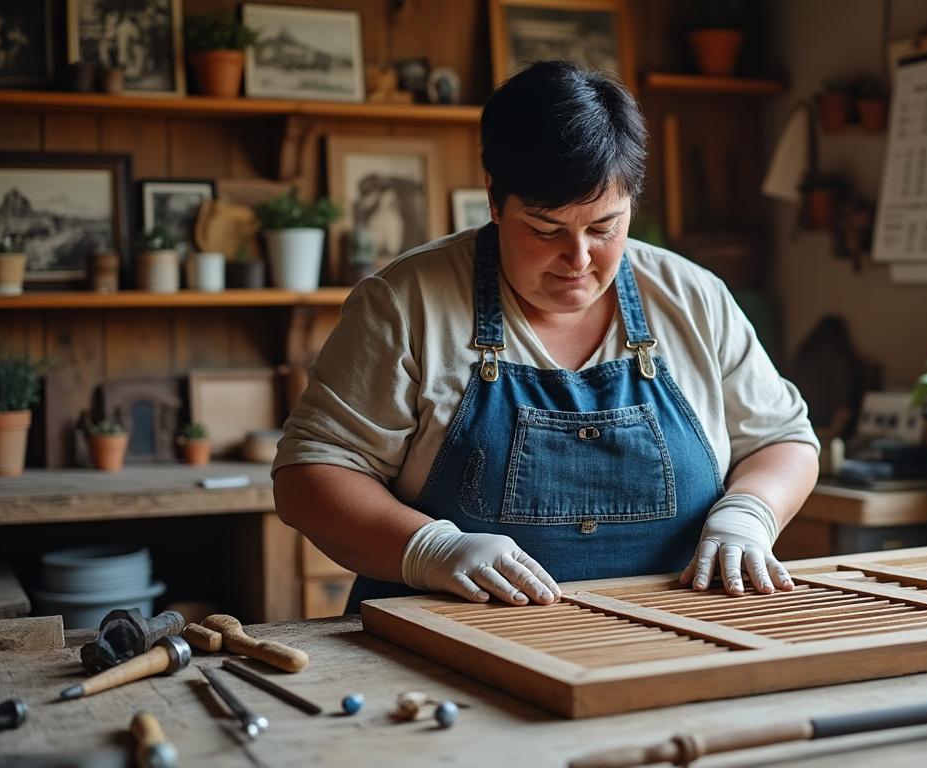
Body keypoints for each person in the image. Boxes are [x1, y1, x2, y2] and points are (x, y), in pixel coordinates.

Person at [273, 61, 819, 612]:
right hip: (448, 642)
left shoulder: (693, 298)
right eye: (546, 229)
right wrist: (429, 548)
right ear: (494, 198)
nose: (578, 259)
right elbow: (309, 476)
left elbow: (782, 439)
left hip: (668, 637)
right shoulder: (406, 303)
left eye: (604, 227)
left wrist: (749, 512)